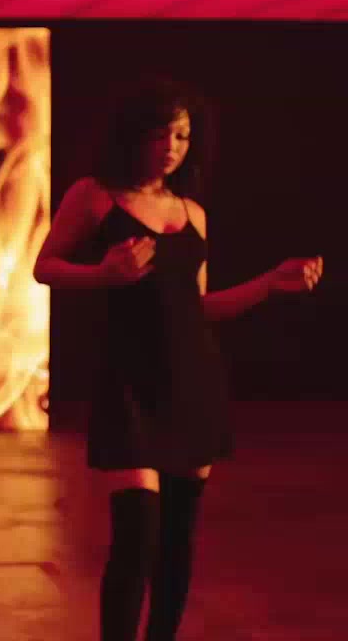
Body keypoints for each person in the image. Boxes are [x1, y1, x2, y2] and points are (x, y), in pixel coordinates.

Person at [32, 78, 322, 641]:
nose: (171, 146)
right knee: (136, 535)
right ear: (134, 134)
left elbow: (201, 306)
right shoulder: (95, 196)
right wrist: (103, 274)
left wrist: (269, 283)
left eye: (183, 135)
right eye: (160, 132)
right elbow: (44, 267)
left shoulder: (193, 213)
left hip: (193, 382)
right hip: (129, 382)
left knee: (176, 541)